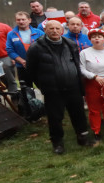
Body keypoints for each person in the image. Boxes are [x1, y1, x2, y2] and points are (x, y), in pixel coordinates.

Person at [25, 20, 97, 154]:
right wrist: (42, 85)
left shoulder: (70, 44)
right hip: (53, 90)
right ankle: (57, 143)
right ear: (45, 30)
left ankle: (83, 138)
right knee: (55, 117)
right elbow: (30, 70)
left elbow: (77, 64)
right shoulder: (36, 47)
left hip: (73, 87)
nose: (54, 31)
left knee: (79, 114)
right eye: (51, 28)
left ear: (62, 30)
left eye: (57, 28)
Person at [80, 28, 104, 140]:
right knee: (94, 108)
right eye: (94, 37)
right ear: (90, 39)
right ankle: (96, 131)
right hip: (93, 82)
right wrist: (94, 77)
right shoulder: (84, 53)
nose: (97, 38)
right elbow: (81, 69)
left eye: (99, 36)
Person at [5, 11, 44, 91]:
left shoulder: (39, 32)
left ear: (29, 20)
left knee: (44, 88)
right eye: (18, 20)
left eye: (23, 19)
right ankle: (28, 103)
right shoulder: (11, 34)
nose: (21, 22)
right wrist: (22, 61)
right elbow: (10, 50)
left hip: (38, 66)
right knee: (26, 90)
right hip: (22, 67)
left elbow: (45, 47)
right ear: (16, 21)